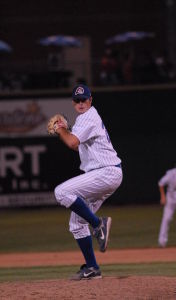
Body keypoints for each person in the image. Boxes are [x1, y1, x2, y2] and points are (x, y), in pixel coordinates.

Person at [54, 84, 123, 280]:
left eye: (84, 99)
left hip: (105, 172)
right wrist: (65, 130)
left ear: (90, 100)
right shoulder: (84, 119)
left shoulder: (88, 116)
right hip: (105, 174)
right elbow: (77, 146)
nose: (81, 103)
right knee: (76, 224)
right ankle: (93, 268)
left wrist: (61, 130)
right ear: (73, 103)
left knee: (61, 192)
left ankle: (98, 223)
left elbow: (72, 142)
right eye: (77, 100)